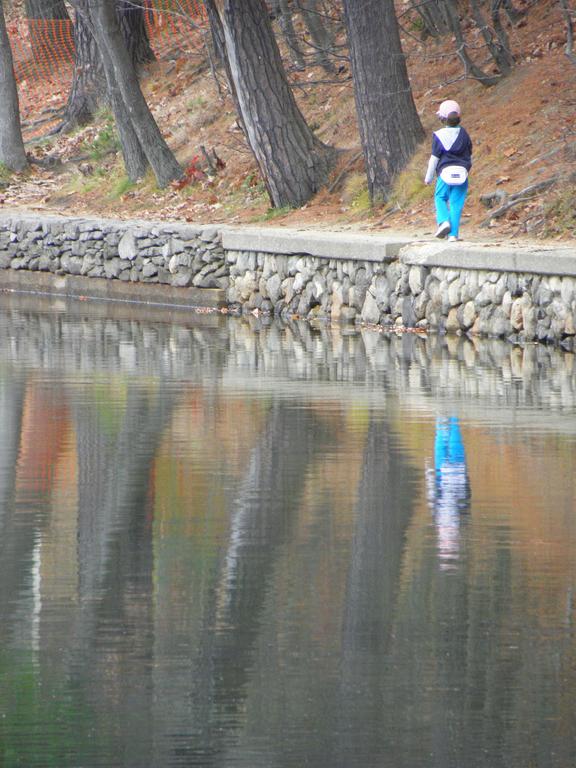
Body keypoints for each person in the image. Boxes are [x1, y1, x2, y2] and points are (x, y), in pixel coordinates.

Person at [424, 100, 472, 242]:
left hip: (445, 174)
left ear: (442, 119)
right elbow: (470, 155)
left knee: (440, 197)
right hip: (462, 173)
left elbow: (434, 159)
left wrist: (429, 177)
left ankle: (444, 221)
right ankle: (453, 235)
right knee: (456, 204)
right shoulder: (464, 134)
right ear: (459, 117)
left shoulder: (438, 135)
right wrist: (467, 170)